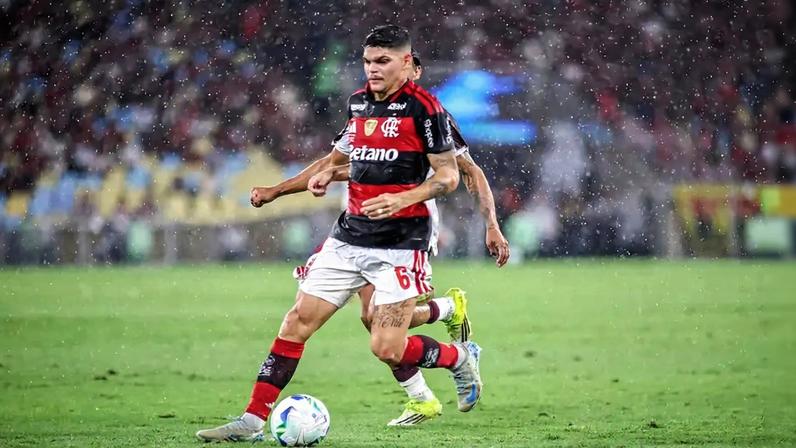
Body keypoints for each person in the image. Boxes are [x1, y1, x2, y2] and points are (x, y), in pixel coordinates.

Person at [196, 25, 481, 441]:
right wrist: (282, 189)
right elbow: (333, 161)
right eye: (367, 61)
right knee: (296, 323)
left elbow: (448, 177)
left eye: (382, 61)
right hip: (349, 238)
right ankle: (253, 420)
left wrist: (402, 199)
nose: (372, 69)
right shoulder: (359, 104)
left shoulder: (427, 111)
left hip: (401, 245)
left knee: (385, 346)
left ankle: (457, 358)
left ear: (406, 62)